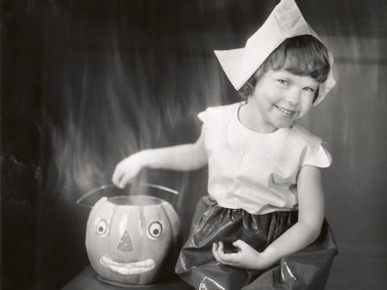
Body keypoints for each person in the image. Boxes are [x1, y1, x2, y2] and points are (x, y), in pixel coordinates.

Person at [112, 0, 338, 289]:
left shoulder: (306, 150)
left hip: (282, 244)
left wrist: (265, 257)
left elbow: (309, 224)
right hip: (221, 233)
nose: (295, 99)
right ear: (255, 75)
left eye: (308, 88)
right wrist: (142, 158)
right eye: (284, 81)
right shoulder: (218, 122)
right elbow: (194, 156)